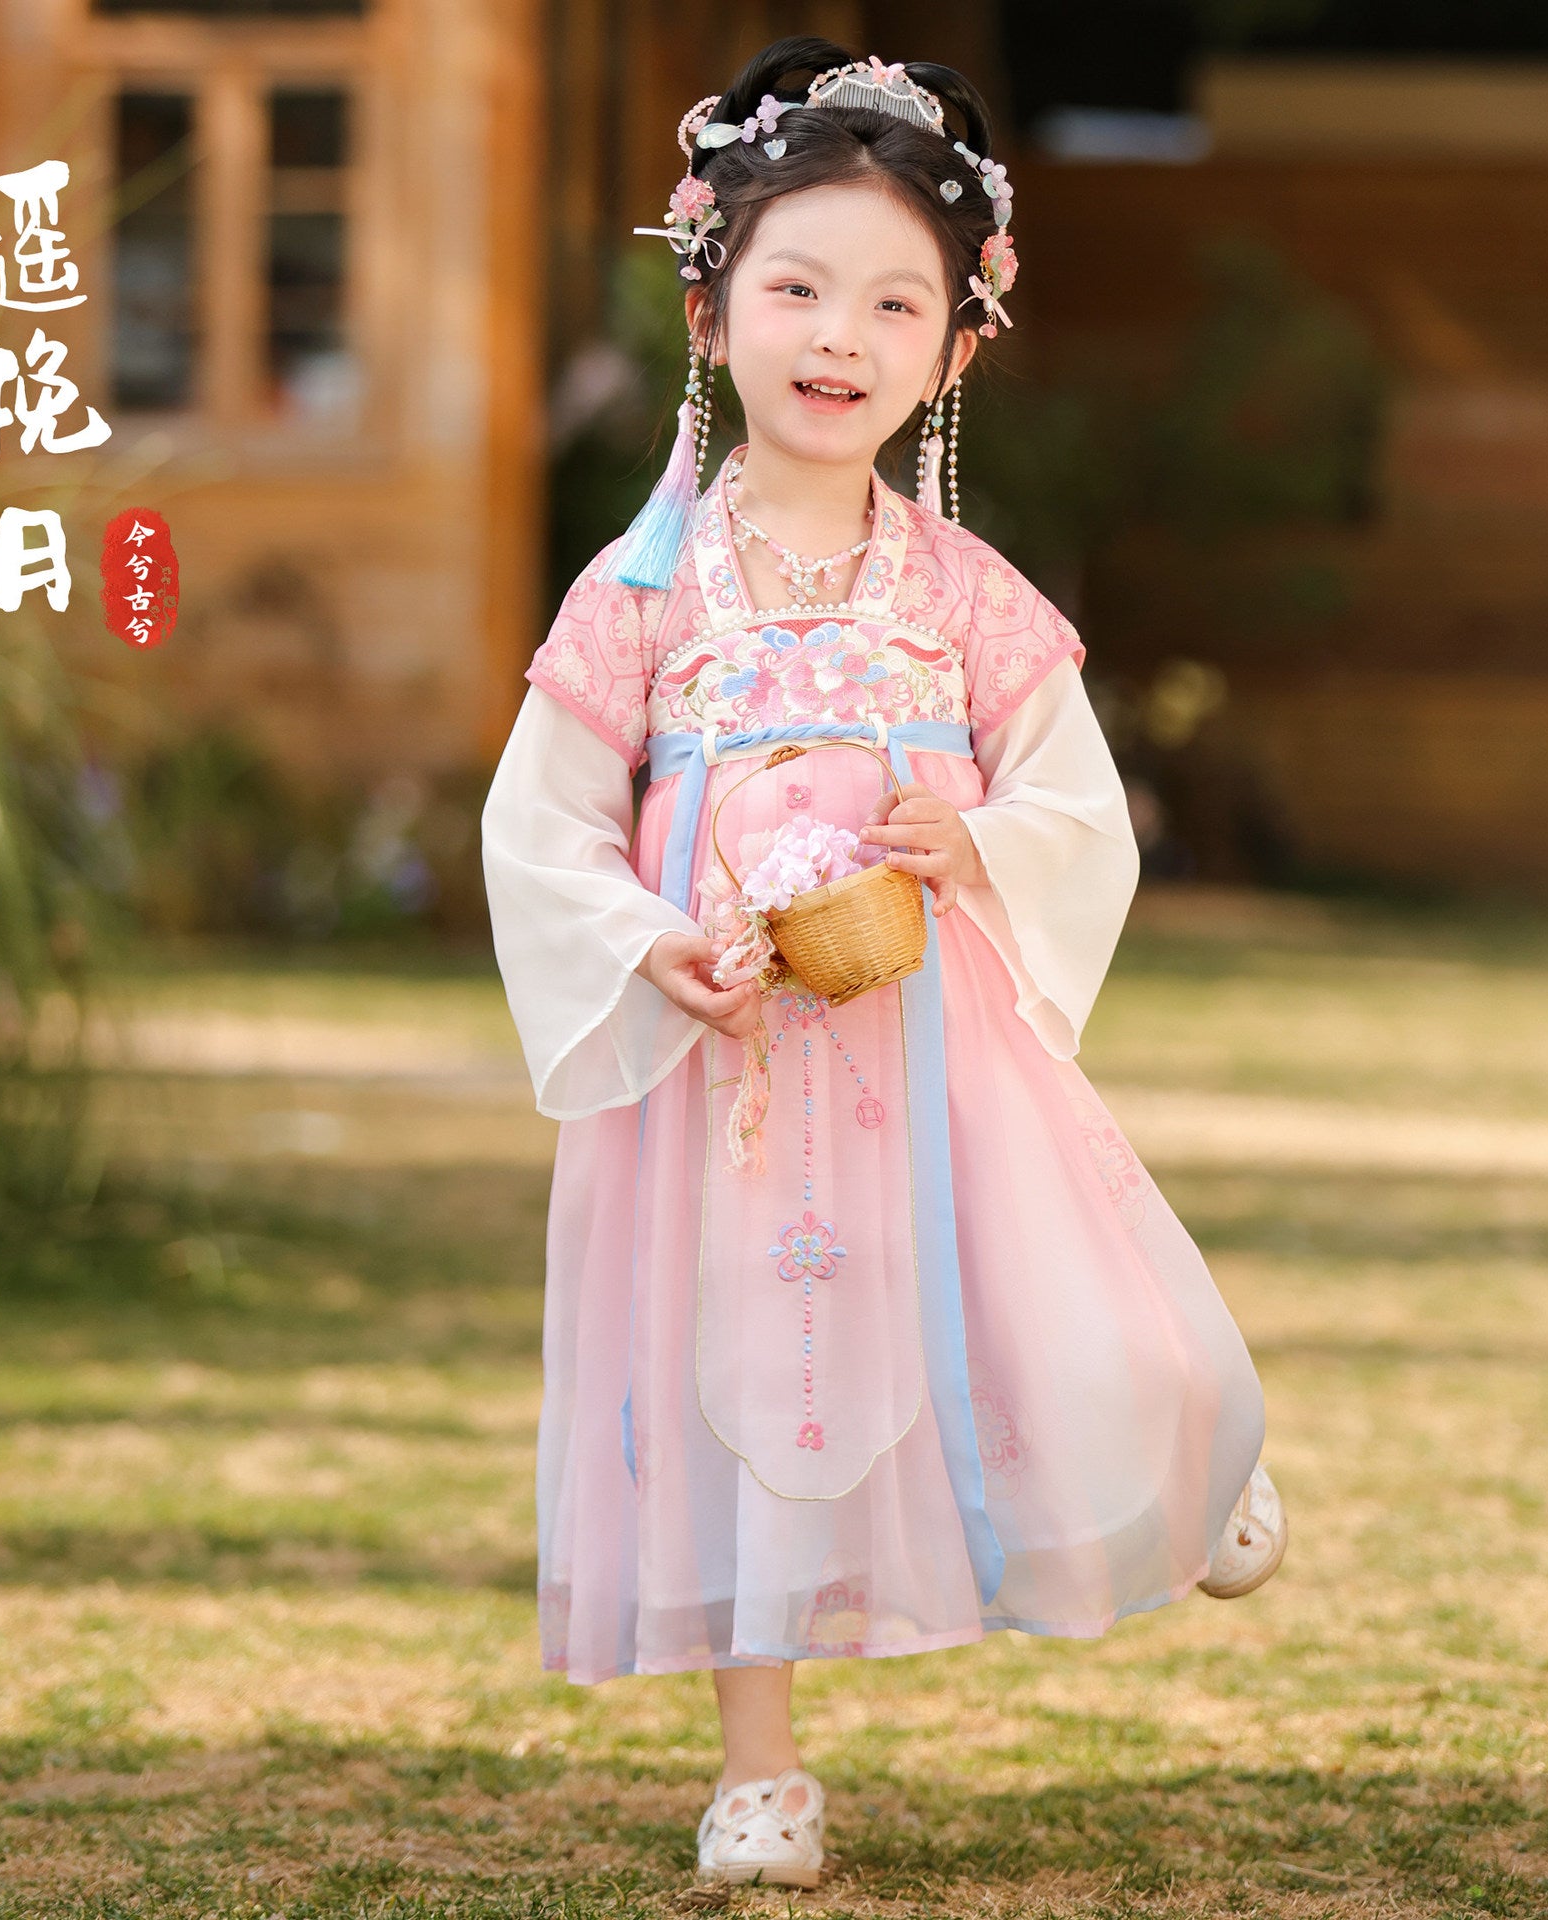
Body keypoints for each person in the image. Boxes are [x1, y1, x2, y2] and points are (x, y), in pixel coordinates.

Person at [480, 36, 1284, 1892]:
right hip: (733, 1071)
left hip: (934, 1050)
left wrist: (971, 843)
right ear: (712, 308)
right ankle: (760, 1767)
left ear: (958, 346)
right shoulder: (641, 590)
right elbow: (540, 823)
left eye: (894, 301)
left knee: (1048, 1296)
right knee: (745, 1375)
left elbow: (1077, 807)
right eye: (795, 287)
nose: (837, 335)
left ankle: (1194, 1453)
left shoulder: (966, 593)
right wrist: (647, 937)